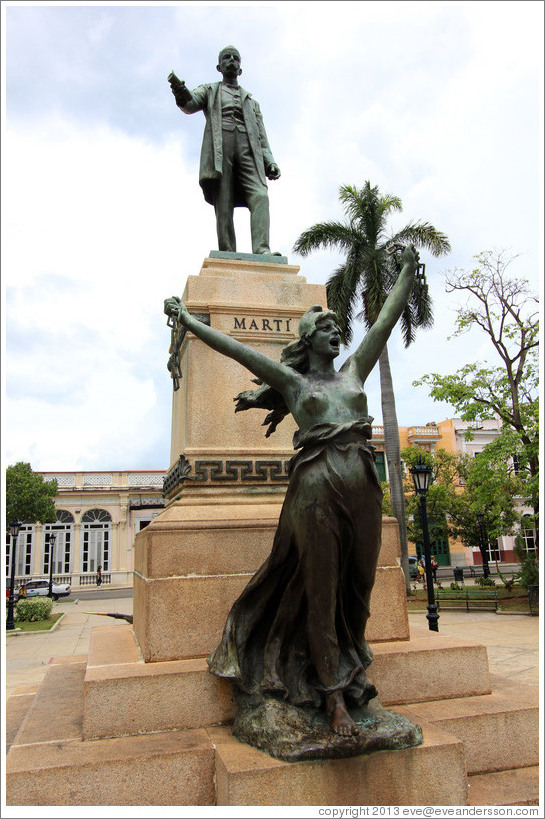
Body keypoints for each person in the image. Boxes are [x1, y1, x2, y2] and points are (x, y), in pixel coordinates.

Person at [165, 245, 420, 738]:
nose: (336, 331)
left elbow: (385, 323)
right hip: (317, 487)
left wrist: (408, 272)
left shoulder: (353, 373)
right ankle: (333, 698)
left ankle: (352, 676)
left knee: (357, 592)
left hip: (363, 485)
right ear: (308, 339)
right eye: (326, 327)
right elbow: (234, 349)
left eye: (335, 327)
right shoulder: (296, 384)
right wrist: (187, 321)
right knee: (322, 591)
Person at [168, 46, 281, 256]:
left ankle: (262, 249)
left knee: (260, 195)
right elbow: (190, 103)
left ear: (240, 69)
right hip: (221, 146)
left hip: (249, 148)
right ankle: (228, 251)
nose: (232, 60)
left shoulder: (251, 102)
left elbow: (262, 137)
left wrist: (269, 161)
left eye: (236, 59)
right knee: (224, 199)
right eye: (227, 58)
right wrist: (179, 90)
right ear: (219, 66)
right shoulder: (210, 90)